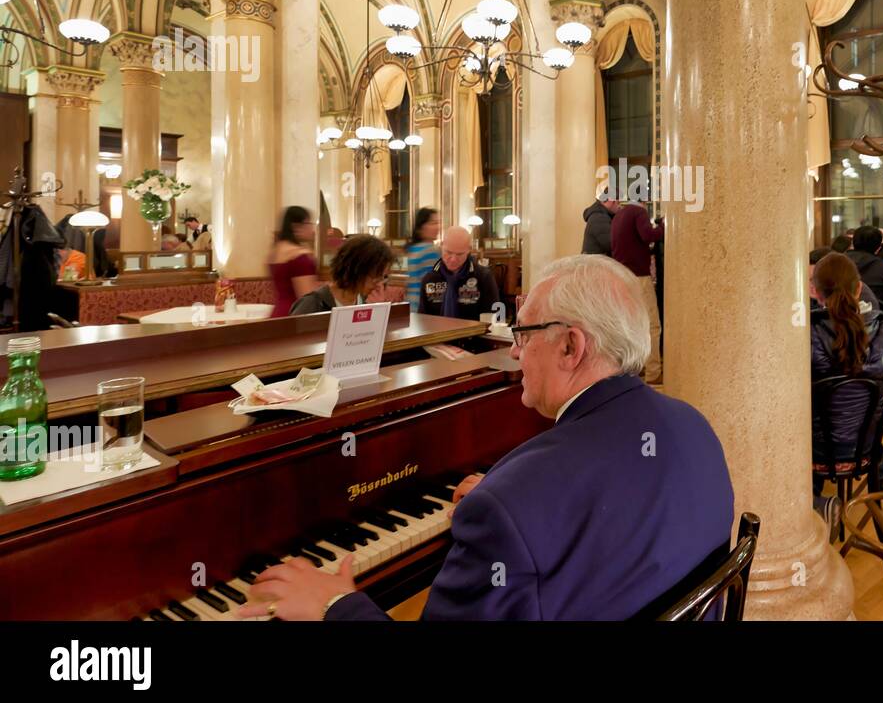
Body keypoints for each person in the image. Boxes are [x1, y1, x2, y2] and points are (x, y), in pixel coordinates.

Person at [240, 254, 734, 621]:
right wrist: (522, 514)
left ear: (570, 346)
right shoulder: (694, 425)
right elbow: (613, 512)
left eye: (523, 333)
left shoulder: (511, 504)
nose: (516, 352)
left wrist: (334, 604)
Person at [809, 252, 883, 530]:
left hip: (817, 451)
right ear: (859, 287)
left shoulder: (806, 335)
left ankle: (814, 502)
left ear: (814, 291)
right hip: (867, 448)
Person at [611, 193, 664, 384]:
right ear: (643, 201)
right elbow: (648, 235)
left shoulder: (619, 215)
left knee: (632, 326)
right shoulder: (638, 212)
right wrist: (663, 226)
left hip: (622, 276)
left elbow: (630, 243)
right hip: (638, 277)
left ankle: (636, 369)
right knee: (652, 325)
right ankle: (654, 372)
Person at [290, 234, 394, 315]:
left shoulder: (366, 301)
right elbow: (293, 341)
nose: (379, 285)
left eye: (383, 277)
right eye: (375, 277)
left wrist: (378, 311)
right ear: (354, 270)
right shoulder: (312, 303)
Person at [418, 226, 500, 321]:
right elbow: (423, 319)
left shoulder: (483, 277)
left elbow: (494, 317)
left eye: (459, 254)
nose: (453, 259)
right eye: (448, 252)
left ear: (469, 250)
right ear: (441, 245)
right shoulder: (429, 279)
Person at [845, 226, 883, 323]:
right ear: (878, 248)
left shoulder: (837, 263)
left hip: (838, 323)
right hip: (877, 324)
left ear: (853, 243)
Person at [269, 206, 318, 317]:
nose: (312, 229)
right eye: (309, 224)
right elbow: (306, 299)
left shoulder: (275, 251)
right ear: (296, 227)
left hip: (277, 313)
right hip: (294, 315)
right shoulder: (300, 256)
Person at [405, 208, 442, 309]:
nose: (438, 227)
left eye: (438, 223)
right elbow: (435, 285)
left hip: (411, 303)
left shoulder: (413, 248)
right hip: (424, 306)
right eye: (433, 223)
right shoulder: (430, 251)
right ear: (421, 227)